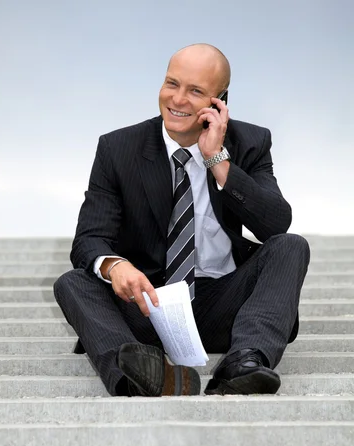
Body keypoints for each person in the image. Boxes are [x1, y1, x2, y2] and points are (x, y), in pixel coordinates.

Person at [54, 43, 310, 397]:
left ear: (219, 100)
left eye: (196, 91)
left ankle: (245, 362)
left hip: (225, 307)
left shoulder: (249, 142)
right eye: (172, 83)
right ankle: (142, 372)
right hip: (148, 307)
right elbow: (89, 240)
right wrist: (115, 267)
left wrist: (217, 160)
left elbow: (275, 224)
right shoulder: (118, 149)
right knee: (72, 283)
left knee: (291, 246)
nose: (178, 99)